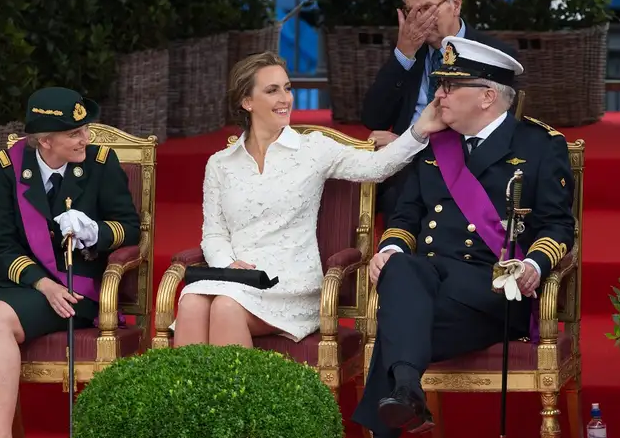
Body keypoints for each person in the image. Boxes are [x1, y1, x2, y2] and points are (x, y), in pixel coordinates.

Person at [346, 37, 575, 438]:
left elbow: (558, 227)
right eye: (440, 85)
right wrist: (389, 248)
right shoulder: (436, 146)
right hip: (430, 286)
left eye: (450, 86)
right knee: (400, 271)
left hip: (494, 292)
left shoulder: (538, 145)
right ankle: (406, 394)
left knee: (397, 322)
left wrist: (533, 264)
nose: (439, 95)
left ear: (487, 96)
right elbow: (406, 217)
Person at [171, 51, 445, 347]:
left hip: (291, 282)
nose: (285, 99)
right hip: (236, 278)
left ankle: (243, 382)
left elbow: (377, 167)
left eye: (287, 88)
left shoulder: (313, 149)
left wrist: (420, 129)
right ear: (247, 102)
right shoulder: (220, 163)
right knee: (191, 302)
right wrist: (228, 266)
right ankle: (193, 382)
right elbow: (214, 234)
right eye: (272, 90)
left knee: (226, 306)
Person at [0, 87, 140, 438]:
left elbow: (130, 228)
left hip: (75, 287)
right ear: (45, 141)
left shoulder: (100, 163)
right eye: (74, 133)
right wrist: (41, 283)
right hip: (25, 280)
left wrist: (94, 231)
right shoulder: (7, 167)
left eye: (85, 129)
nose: (85, 138)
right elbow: (1, 244)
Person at [361, 0, 517, 226]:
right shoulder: (409, 50)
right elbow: (373, 118)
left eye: (427, 8)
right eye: (411, 11)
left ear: (455, 4)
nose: (418, 20)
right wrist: (403, 55)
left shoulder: (494, 55)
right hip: (406, 174)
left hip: (466, 169)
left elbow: (497, 134)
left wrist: (408, 144)